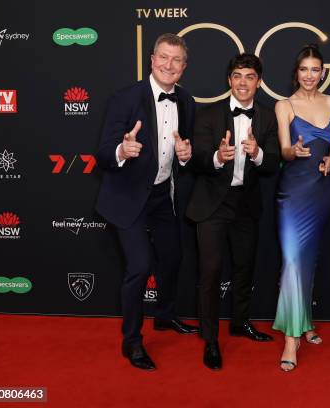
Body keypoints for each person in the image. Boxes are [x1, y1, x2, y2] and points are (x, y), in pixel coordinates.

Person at [95, 33, 199, 371]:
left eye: (177, 60)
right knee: (139, 267)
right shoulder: (126, 99)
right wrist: (121, 151)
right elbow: (103, 152)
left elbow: (185, 150)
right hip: (128, 197)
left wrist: (186, 155)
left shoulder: (186, 101)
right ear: (152, 59)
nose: (169, 65)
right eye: (164, 58)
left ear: (184, 67)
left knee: (172, 257)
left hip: (161, 196)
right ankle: (132, 341)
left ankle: (165, 316)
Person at [186, 53, 280, 370]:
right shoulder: (208, 115)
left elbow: (273, 164)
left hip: (246, 205)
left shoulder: (267, 118)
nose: (243, 82)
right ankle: (210, 339)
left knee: (244, 268)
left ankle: (240, 323)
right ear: (229, 80)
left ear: (258, 82)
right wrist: (216, 156)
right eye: (238, 75)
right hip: (212, 204)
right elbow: (196, 160)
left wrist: (257, 154)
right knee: (211, 272)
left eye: (250, 76)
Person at [272, 44, 330, 372]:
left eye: (316, 70)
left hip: (321, 191)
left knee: (308, 259)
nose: (310, 76)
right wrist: (294, 151)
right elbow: (285, 150)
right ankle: (291, 338)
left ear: (323, 73)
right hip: (293, 192)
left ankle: (306, 323)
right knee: (291, 260)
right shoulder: (284, 105)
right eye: (304, 69)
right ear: (296, 73)